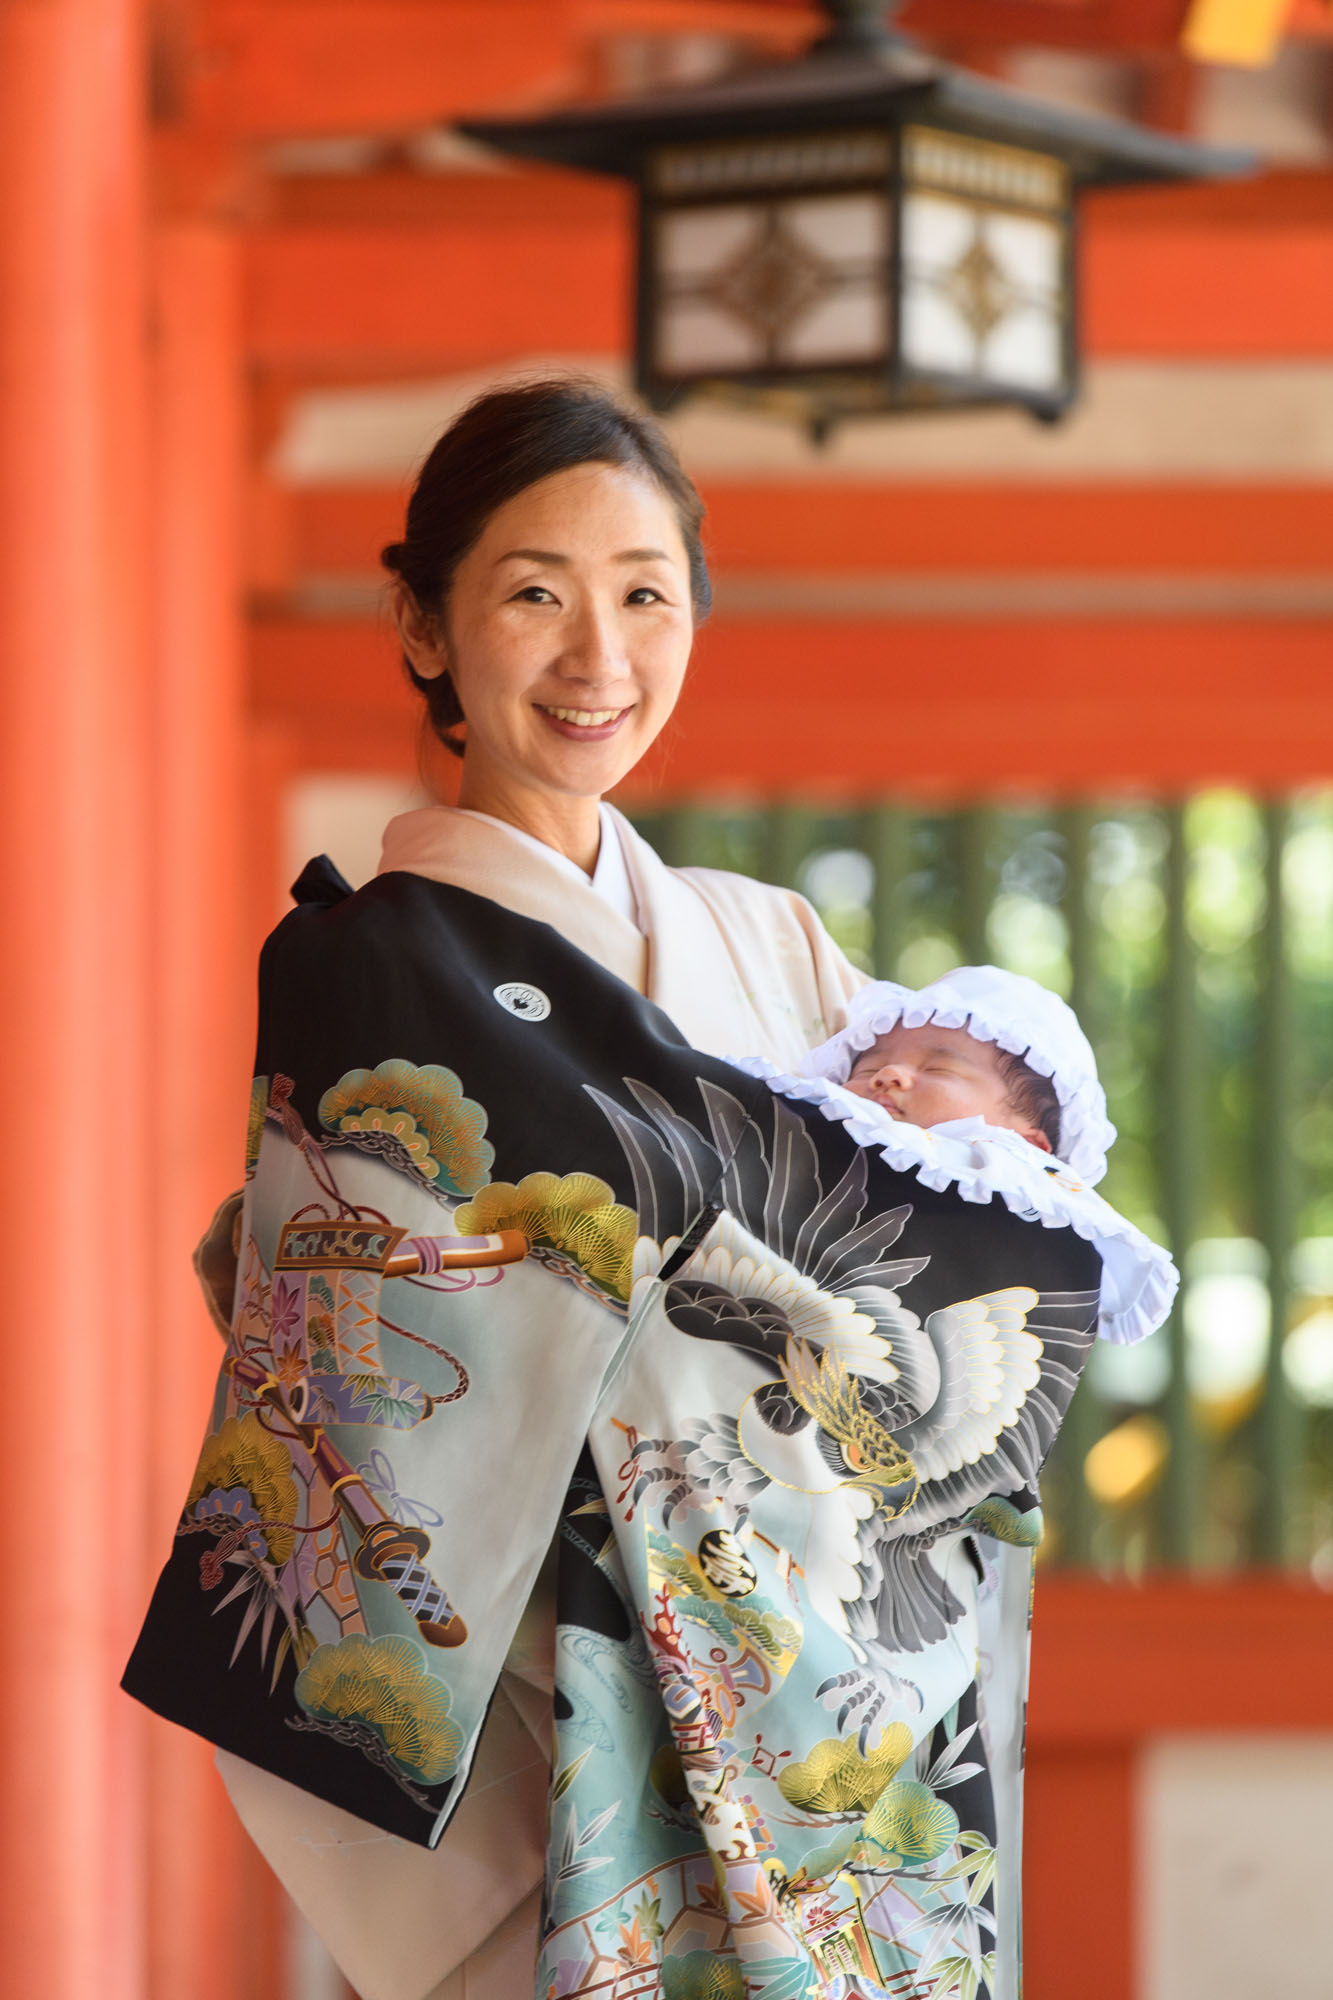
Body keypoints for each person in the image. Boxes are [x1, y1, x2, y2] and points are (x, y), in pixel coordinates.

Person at [124, 380, 1174, 2000]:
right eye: (533, 593)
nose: (596, 659)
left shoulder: (773, 946)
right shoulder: (377, 976)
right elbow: (376, 1400)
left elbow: (965, 1262)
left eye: (644, 596)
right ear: (422, 624)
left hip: (834, 1746)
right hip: (559, 1758)